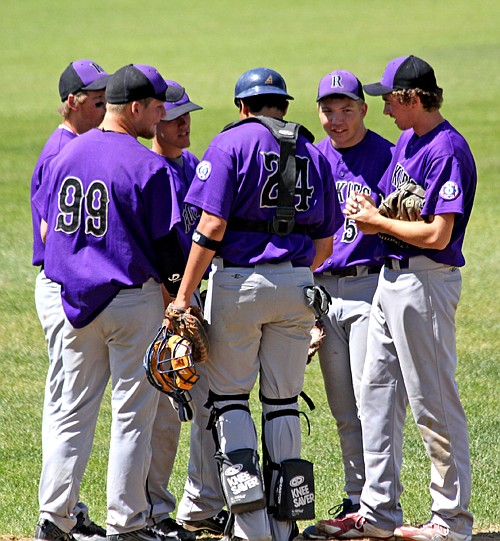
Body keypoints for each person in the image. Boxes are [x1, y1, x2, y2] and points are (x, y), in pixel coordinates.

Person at [168, 67, 342, 541]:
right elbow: (326, 242)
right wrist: (295, 273)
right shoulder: (312, 151)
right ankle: (285, 527)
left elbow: (211, 226)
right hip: (298, 287)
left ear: (243, 106)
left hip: (240, 287)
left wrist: (185, 295)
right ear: (283, 105)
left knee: (228, 400)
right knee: (283, 403)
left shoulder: (230, 144)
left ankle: (249, 526)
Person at [313, 55, 476, 541]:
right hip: (390, 279)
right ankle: (377, 512)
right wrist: (372, 209)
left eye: (388, 99)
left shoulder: (448, 149)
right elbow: (390, 204)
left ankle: (452, 521)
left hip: (425, 279)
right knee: (375, 398)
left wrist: (377, 223)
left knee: (433, 400)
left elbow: (438, 234)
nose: (384, 109)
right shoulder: (408, 142)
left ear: (411, 98)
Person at [32, 64, 186, 541]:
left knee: (71, 412)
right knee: (133, 415)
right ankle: (126, 522)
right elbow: (168, 247)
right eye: (158, 106)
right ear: (135, 108)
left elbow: (49, 233)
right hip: (130, 304)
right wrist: (182, 297)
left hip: (74, 303)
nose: (163, 114)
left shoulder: (66, 154)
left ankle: (54, 519)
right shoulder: (149, 165)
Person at [301, 70, 393, 540]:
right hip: (322, 290)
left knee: (371, 402)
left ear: (363, 108)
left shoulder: (386, 155)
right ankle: (357, 496)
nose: (336, 120)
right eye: (328, 111)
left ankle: (379, 501)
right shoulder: (312, 157)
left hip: (368, 288)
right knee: (341, 406)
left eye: (346, 110)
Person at [31, 59, 110, 541]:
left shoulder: (77, 146)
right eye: (94, 94)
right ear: (72, 100)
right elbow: (49, 230)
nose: (103, 99)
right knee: (67, 404)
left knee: (64, 402)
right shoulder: (61, 151)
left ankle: (64, 505)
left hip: (68, 286)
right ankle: (56, 514)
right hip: (65, 287)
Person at [148, 81, 228, 539]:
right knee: (161, 414)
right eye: (175, 117)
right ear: (153, 119)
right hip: (165, 306)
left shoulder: (197, 168)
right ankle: (150, 507)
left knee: (205, 404)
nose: (185, 124)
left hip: (196, 303)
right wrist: (171, 309)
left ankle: (200, 504)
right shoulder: (148, 169)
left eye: (188, 115)